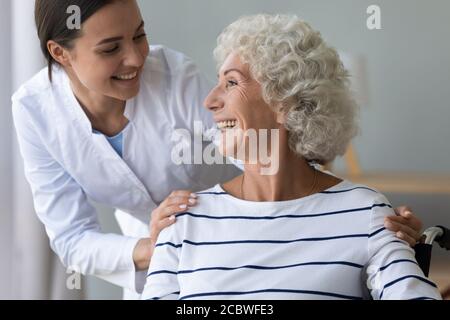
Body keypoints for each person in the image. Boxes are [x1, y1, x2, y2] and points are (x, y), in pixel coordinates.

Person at [12, 0, 422, 299]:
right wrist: (155, 246)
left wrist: (352, 214)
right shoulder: (33, 110)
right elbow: (71, 237)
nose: (136, 57)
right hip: (170, 242)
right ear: (60, 53)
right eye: (110, 48)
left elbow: (257, 142)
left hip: (238, 219)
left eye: (139, 34)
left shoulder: (365, 215)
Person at [141, 14, 442, 300]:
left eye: (231, 83)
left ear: (286, 102)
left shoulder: (364, 213)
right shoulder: (184, 221)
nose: (209, 101)